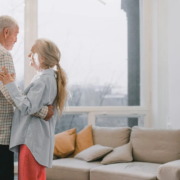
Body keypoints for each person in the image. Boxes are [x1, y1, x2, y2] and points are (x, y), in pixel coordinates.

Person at [0, 38, 68, 180]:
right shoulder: (47, 78)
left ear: (41, 58)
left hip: (32, 141)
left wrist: (10, 85)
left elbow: (27, 106)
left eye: (32, 53)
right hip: (35, 141)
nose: (29, 56)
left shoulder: (44, 80)